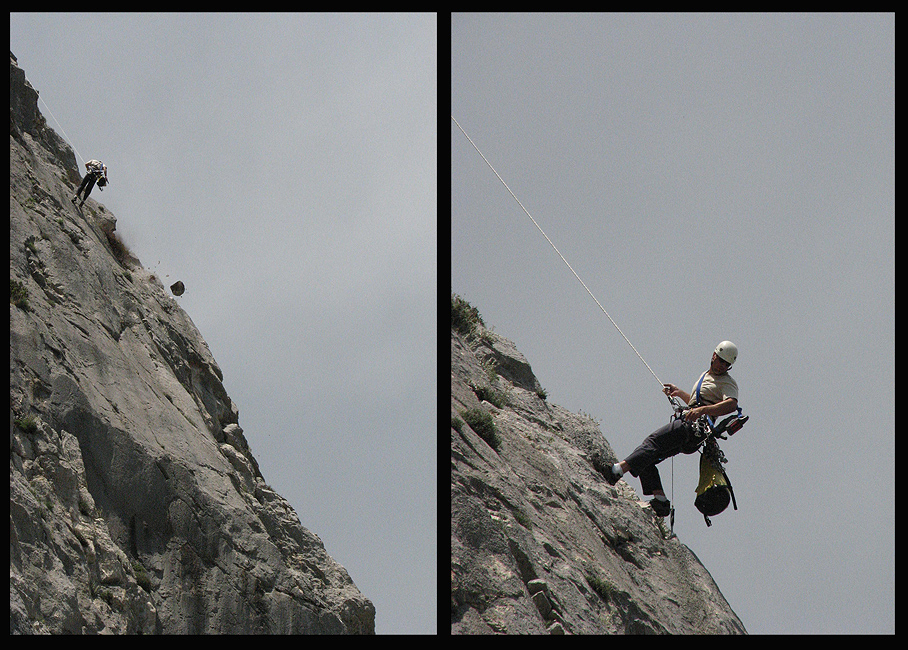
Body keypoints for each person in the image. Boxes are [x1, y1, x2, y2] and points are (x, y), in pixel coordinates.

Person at [602, 341, 740, 517]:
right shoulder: (706, 376)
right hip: (691, 430)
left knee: (652, 442)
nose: (722, 366)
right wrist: (680, 393)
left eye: (727, 364)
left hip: (691, 428)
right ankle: (660, 501)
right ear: (714, 356)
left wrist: (702, 410)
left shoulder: (728, 383)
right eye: (721, 361)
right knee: (649, 457)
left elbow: (731, 405)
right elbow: (696, 403)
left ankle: (616, 471)